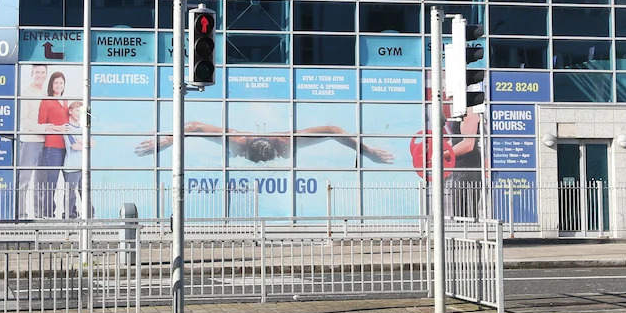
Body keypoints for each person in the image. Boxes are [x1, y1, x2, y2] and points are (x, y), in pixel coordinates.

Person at [135, 122, 395, 165]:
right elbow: (193, 127)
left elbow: (332, 130)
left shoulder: (286, 142)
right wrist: (167, 140)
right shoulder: (236, 141)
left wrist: (367, 151)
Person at [34, 73, 70, 218]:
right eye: (56, 83)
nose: (59, 86)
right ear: (51, 85)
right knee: (52, 182)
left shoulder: (65, 101)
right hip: (52, 147)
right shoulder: (46, 101)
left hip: (67, 148)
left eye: (61, 83)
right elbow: (42, 124)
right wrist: (58, 128)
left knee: (69, 182)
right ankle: (48, 212)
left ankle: (69, 212)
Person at [16, 64, 50, 218]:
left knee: (41, 180)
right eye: (37, 72)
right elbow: (24, 121)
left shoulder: (46, 92)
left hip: (47, 142)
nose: (40, 75)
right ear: (32, 73)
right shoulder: (26, 92)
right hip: (31, 140)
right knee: (24, 179)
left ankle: (39, 213)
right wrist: (43, 128)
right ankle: (20, 214)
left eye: (43, 72)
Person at [61, 101, 90, 219]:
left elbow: (93, 142)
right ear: (70, 111)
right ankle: (68, 215)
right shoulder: (67, 127)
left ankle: (89, 214)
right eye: (77, 110)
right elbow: (74, 146)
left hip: (84, 165)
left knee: (85, 192)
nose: (79, 113)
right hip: (72, 166)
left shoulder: (85, 128)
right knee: (71, 192)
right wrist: (84, 142)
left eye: (81, 111)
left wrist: (80, 141)